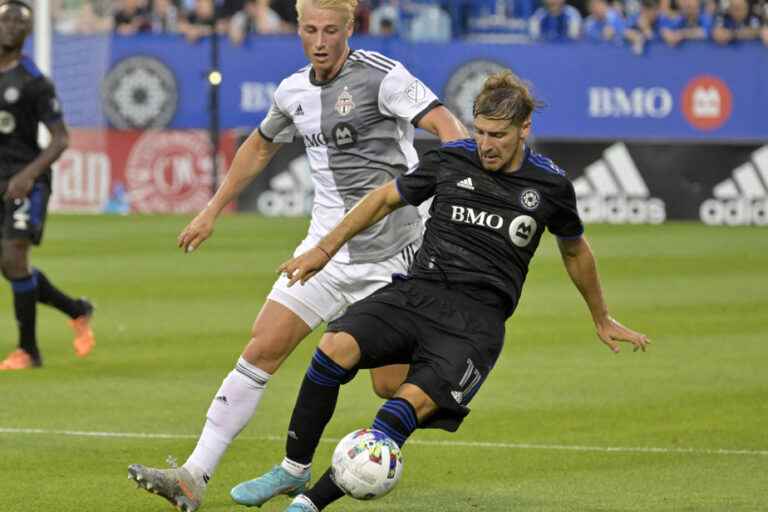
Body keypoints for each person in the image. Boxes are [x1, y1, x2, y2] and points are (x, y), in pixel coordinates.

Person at [127, 0, 467, 510]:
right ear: (299, 31)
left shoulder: (384, 76)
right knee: (262, 346)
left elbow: (449, 127)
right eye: (310, 30)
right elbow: (259, 147)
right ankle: (194, 476)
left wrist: (451, 184)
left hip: (394, 255)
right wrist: (212, 209)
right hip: (322, 251)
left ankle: (441, 386)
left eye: (331, 30)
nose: (321, 41)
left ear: (351, 28)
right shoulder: (292, 91)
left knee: (389, 386)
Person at [272, 70, 650, 511]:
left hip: (475, 325)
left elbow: (575, 251)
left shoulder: (550, 186)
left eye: (498, 135)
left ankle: (310, 505)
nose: (486, 144)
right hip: (417, 293)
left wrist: (601, 317)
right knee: (334, 348)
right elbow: (383, 199)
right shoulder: (452, 159)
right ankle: (293, 469)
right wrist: (323, 249)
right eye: (480, 132)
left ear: (524, 129)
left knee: (396, 414)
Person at [0, 0, 95, 370]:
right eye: (5, 19)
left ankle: (29, 351)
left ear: (28, 32)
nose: (10, 26)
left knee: (14, 258)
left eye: (19, 22)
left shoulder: (34, 81)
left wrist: (27, 175)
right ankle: (76, 309)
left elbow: (60, 138)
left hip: (27, 181)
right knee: (11, 268)